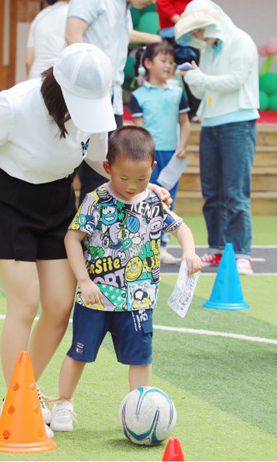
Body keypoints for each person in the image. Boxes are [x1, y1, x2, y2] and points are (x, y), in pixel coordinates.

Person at [0, 44, 169, 436]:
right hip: (8, 202)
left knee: (59, 306)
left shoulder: (92, 110)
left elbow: (96, 159)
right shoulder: (13, 105)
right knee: (24, 302)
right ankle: (19, 397)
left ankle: (27, 389)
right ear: (59, 87)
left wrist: (145, 187)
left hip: (57, 199)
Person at [48, 125, 202, 432]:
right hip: (95, 298)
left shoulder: (154, 202)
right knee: (79, 353)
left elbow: (181, 228)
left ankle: (139, 410)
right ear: (107, 167)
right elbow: (71, 239)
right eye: (124, 178)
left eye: (142, 179)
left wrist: (189, 251)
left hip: (139, 300)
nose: (132, 186)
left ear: (152, 169)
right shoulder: (96, 200)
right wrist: (84, 280)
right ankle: (63, 402)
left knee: (140, 358)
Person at [174, 0, 259, 275]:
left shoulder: (241, 41)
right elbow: (203, 93)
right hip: (210, 122)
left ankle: (241, 252)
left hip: (238, 121)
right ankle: (218, 247)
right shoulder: (209, 49)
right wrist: (192, 78)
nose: (197, 36)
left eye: (199, 29)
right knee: (211, 192)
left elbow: (234, 80)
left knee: (235, 192)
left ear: (212, 23)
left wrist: (198, 77)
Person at [65, 0, 162, 205]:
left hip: (112, 101)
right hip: (86, 96)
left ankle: (93, 234)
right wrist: (90, 81)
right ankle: (64, 234)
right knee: (67, 168)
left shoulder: (124, 9)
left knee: (103, 172)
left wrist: (155, 38)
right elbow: (73, 34)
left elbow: (117, 36)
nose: (153, 2)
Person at [131, 42, 190, 264]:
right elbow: (138, 128)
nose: (168, 66)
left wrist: (182, 145)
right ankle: (141, 244)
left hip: (172, 157)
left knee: (167, 202)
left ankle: (161, 247)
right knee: (145, 199)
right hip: (149, 157)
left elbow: (184, 123)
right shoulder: (139, 95)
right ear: (147, 63)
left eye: (171, 62)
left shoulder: (178, 92)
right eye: (163, 61)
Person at [155, 0, 201, 121]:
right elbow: (162, 3)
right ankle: (164, 110)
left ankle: (195, 111)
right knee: (166, 72)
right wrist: (181, 22)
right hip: (173, 32)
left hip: (192, 33)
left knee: (193, 71)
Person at [25, 0, 69, 81]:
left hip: (35, 78)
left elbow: (28, 61)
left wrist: (30, 81)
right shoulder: (72, 15)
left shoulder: (39, 17)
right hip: (57, 79)